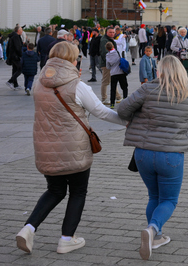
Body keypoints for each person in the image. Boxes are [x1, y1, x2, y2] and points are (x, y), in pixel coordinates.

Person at [15, 42, 126, 255]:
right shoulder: (77, 85)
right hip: (74, 147)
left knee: (55, 190)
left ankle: (28, 228)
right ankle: (67, 238)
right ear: (73, 60)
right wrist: (128, 121)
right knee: (78, 191)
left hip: (46, 146)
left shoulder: (39, 82)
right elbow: (101, 112)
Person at [118, 56, 188, 260]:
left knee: (153, 196)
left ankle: (154, 238)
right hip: (171, 156)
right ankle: (152, 229)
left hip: (143, 154)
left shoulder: (148, 89)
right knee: (168, 199)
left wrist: (139, 114)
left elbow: (122, 109)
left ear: (160, 71)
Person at [100, 27, 121, 103]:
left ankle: (118, 97)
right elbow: (104, 53)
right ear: (106, 32)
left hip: (112, 63)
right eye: (110, 32)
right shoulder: (104, 40)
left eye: (113, 32)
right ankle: (104, 98)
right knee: (106, 81)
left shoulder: (110, 40)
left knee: (113, 79)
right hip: (107, 64)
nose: (112, 34)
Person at [105, 42, 128, 109]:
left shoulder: (107, 55)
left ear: (107, 48)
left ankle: (112, 103)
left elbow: (108, 66)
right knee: (124, 87)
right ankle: (125, 100)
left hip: (113, 73)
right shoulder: (118, 52)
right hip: (121, 72)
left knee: (113, 88)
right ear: (113, 46)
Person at [6, 26, 24, 90]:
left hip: (12, 56)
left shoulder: (13, 36)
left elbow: (8, 47)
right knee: (20, 69)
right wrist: (21, 55)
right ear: (18, 31)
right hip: (15, 56)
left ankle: (15, 84)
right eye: (21, 30)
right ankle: (10, 81)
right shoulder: (16, 37)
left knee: (15, 69)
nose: (22, 31)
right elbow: (18, 47)